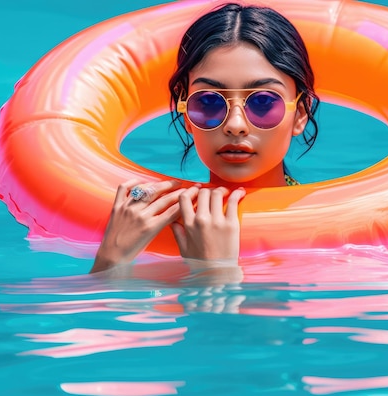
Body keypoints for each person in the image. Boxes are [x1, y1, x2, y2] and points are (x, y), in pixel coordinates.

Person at [90, 2, 320, 274]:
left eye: (262, 102)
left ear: (300, 115)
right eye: (209, 102)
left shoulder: (330, 236)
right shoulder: (145, 233)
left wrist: (214, 274)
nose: (235, 125)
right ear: (186, 114)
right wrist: (109, 262)